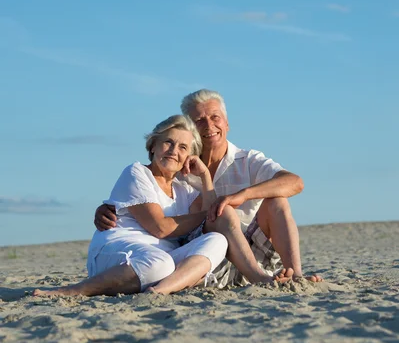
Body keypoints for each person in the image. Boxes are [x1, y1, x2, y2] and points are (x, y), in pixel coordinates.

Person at [33, 114, 277, 299]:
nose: (174, 151)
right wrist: (205, 214)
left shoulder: (185, 188)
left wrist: (204, 177)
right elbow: (160, 228)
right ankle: (74, 290)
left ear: (189, 156)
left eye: (183, 148)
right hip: (118, 250)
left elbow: (214, 219)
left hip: (161, 260)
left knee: (217, 241)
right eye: (168, 143)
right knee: (159, 264)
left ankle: (158, 292)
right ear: (153, 146)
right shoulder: (136, 173)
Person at [95, 91, 321, 287]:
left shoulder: (248, 160)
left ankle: (297, 277)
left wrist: (242, 195)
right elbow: (150, 191)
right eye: (200, 121)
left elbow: (295, 182)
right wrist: (113, 207)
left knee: (277, 200)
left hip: (256, 252)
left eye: (215, 118)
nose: (209, 126)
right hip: (208, 253)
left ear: (227, 124)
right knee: (221, 214)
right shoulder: (178, 165)